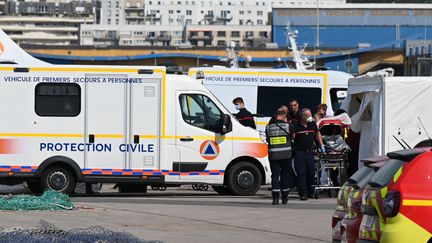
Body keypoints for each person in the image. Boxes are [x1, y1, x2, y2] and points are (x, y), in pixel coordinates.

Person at [291, 108, 325, 201]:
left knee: (311, 172)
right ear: (302, 117)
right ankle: (303, 193)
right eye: (308, 116)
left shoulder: (312, 124)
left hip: (310, 152)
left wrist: (321, 145)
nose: (311, 117)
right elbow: (292, 137)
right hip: (299, 152)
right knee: (301, 173)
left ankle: (310, 191)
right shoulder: (295, 126)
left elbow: (317, 134)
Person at [265, 110, 292, 205]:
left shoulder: (268, 127)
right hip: (286, 155)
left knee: (275, 175)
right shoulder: (288, 125)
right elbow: (293, 136)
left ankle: (275, 198)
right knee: (285, 175)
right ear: (283, 116)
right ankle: (285, 197)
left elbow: (268, 139)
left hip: (273, 155)